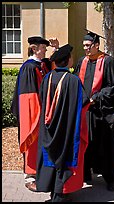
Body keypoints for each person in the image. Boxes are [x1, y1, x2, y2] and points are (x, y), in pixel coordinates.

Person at [36, 44, 90, 202]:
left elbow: (41, 99)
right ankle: (59, 196)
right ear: (67, 60)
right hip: (66, 128)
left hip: (48, 128)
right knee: (63, 157)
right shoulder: (73, 80)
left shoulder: (47, 77)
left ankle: (53, 192)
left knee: (50, 157)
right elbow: (83, 102)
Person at [74, 29, 114, 191]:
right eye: (84, 46)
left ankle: (110, 179)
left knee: (106, 143)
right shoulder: (82, 61)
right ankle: (86, 174)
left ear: (96, 45)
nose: (86, 49)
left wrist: (97, 97)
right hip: (86, 112)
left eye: (88, 45)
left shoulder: (109, 62)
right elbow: (76, 82)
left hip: (102, 112)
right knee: (86, 143)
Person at [11, 36, 59, 191]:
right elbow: (28, 97)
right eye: (43, 48)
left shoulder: (41, 64)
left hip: (43, 112)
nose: (45, 50)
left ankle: (39, 173)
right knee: (31, 143)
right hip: (33, 114)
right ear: (34, 48)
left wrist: (56, 48)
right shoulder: (29, 68)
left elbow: (56, 66)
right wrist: (38, 114)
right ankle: (30, 177)